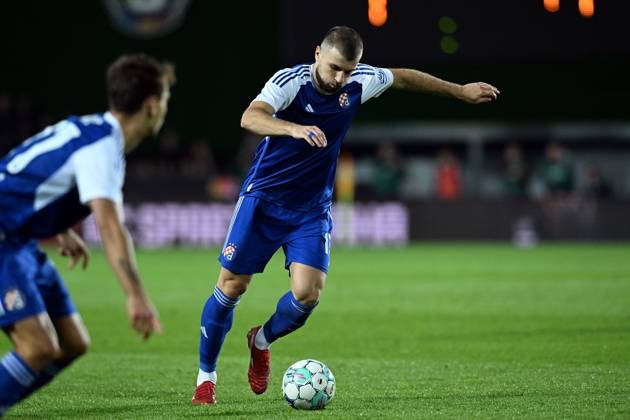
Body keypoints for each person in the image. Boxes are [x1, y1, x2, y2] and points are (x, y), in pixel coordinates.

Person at [191, 25, 499, 404]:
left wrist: (460, 91)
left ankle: (261, 340)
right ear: (317, 54)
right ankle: (206, 378)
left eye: (348, 71)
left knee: (307, 295)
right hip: (264, 201)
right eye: (335, 67)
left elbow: (401, 77)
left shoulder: (356, 83)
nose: (341, 78)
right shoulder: (290, 82)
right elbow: (251, 117)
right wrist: (293, 128)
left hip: (311, 210)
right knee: (231, 286)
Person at [0, 54, 173, 415]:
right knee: (37, 348)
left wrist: (59, 227)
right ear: (152, 106)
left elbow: (30, 171)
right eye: (166, 100)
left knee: (72, 343)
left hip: (19, 237)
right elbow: (110, 225)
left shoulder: (89, 129)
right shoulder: (102, 148)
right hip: (5, 239)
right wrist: (136, 295)